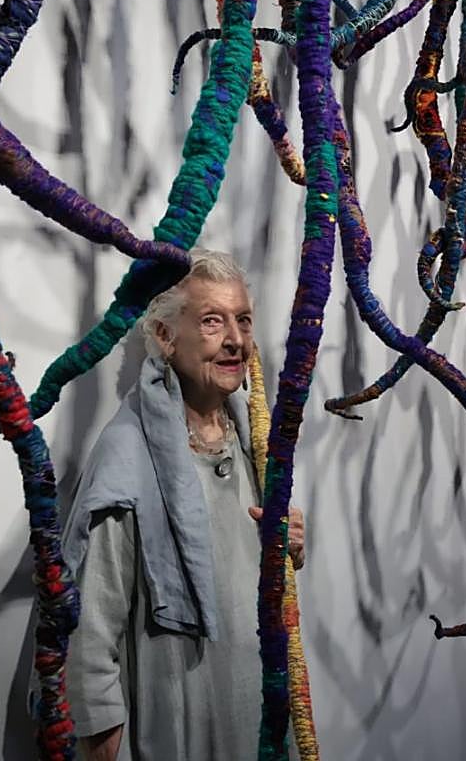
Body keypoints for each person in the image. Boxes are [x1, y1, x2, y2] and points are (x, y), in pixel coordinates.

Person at [61, 249, 305, 760]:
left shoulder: (256, 442)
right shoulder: (127, 456)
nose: (235, 339)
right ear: (166, 336)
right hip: (186, 721)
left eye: (243, 320)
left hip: (262, 711)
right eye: (212, 321)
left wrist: (289, 548)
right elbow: (88, 631)